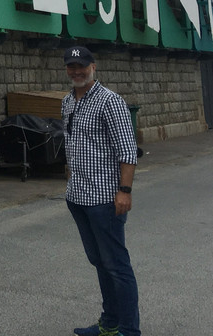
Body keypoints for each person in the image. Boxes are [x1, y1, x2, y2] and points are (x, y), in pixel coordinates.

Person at [61, 46, 140, 336]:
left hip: (105, 199)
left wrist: (125, 190)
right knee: (100, 262)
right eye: (71, 66)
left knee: (117, 266)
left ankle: (129, 330)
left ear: (94, 67)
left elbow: (128, 150)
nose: (77, 71)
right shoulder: (68, 101)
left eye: (82, 66)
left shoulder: (110, 101)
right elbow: (73, 141)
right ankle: (109, 324)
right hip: (78, 197)